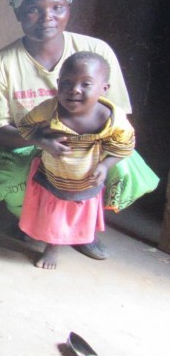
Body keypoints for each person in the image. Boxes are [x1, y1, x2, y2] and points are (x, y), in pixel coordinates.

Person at [0, 0, 159, 260]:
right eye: (33, 10)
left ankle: (82, 229)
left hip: (91, 143)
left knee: (120, 170)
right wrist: (40, 141)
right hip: (25, 142)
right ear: (18, 14)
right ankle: (31, 222)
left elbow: (119, 116)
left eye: (57, 8)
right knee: (13, 184)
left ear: (68, 11)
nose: (46, 17)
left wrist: (94, 153)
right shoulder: (1, 64)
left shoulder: (95, 50)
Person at [16, 52, 135, 269]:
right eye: (67, 83)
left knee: (80, 211)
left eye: (86, 84)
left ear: (104, 89)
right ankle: (52, 245)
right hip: (54, 174)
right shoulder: (49, 108)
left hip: (86, 178)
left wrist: (105, 166)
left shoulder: (113, 120)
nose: (75, 90)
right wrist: (43, 142)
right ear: (58, 83)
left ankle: (83, 238)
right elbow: (24, 127)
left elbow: (125, 147)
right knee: (54, 212)